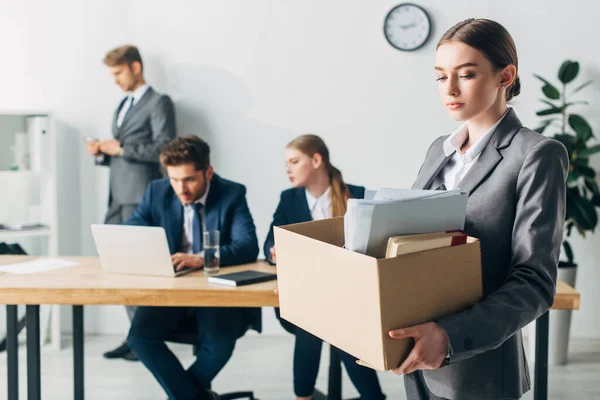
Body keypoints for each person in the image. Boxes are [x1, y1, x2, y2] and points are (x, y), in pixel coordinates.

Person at [389, 19, 568, 400]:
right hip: (416, 357)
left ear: (506, 76)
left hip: (477, 370)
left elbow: (534, 282)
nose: (449, 89)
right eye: (440, 77)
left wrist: (450, 337)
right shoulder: (439, 149)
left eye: (466, 75)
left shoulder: (536, 154)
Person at [125, 135, 260, 400]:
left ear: (208, 172)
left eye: (189, 179)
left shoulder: (232, 193)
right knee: (139, 338)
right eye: (174, 179)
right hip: (172, 287)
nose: (180, 188)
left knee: (219, 345)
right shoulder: (157, 190)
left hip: (214, 289)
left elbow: (247, 246)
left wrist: (200, 258)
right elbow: (133, 227)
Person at [264, 134, 386, 400]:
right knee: (322, 321)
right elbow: (268, 243)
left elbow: (373, 245)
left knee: (327, 322)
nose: (288, 170)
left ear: (316, 160)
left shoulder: (356, 195)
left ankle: (303, 397)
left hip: (349, 294)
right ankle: (374, 397)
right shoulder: (289, 199)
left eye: (294, 162)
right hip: (306, 296)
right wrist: (275, 251)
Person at [86, 44, 176, 361]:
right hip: (117, 194)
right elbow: (121, 152)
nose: (115, 80)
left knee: (139, 268)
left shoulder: (159, 102)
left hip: (141, 195)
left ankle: (145, 337)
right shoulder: (122, 103)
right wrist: (103, 152)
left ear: (136, 67)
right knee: (119, 267)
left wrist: (120, 148)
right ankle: (137, 336)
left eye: (118, 72)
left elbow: (165, 149)